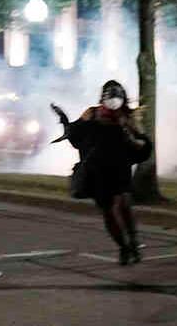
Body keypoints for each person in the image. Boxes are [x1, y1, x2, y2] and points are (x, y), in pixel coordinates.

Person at [65, 81, 152, 265]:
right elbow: (75, 136)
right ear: (103, 98)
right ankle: (123, 247)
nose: (112, 101)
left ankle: (133, 241)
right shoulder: (92, 113)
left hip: (119, 169)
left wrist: (131, 134)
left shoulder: (127, 118)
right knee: (108, 211)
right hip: (97, 171)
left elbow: (142, 143)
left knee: (123, 204)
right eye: (109, 97)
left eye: (116, 97)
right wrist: (74, 125)